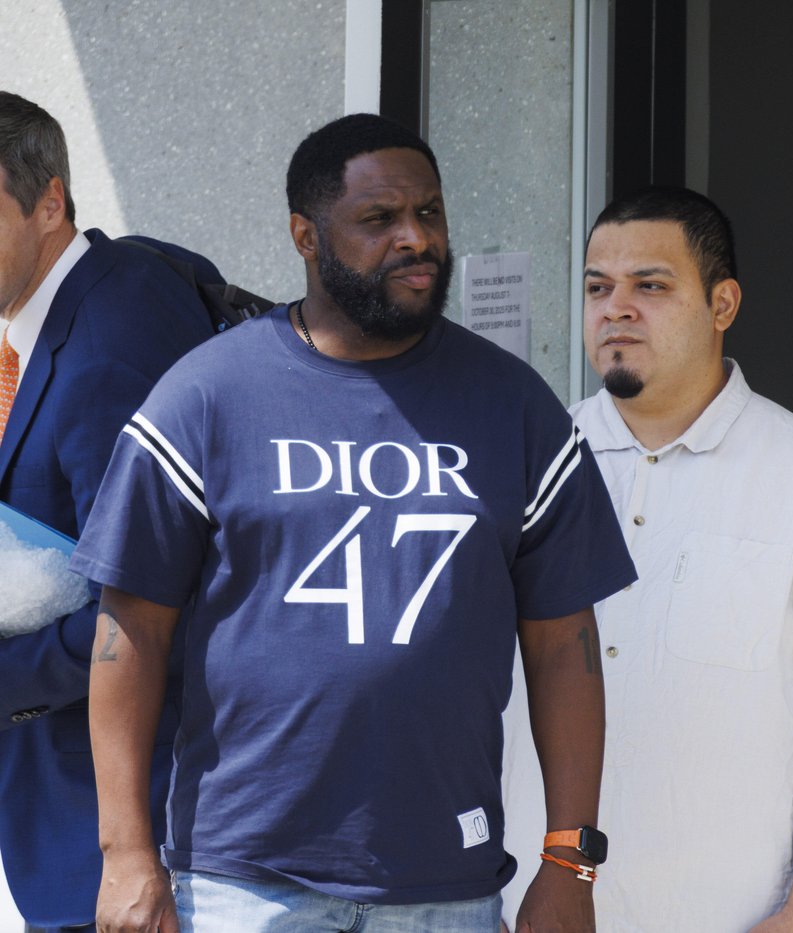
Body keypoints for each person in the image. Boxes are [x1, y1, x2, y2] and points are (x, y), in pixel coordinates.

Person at [70, 114, 636, 932]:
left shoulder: (514, 407)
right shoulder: (206, 398)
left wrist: (569, 862)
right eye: (380, 220)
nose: (417, 238)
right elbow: (129, 632)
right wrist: (126, 852)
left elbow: (564, 646)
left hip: (447, 880)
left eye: (431, 213)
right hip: (241, 882)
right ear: (306, 234)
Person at [500, 187, 793, 931]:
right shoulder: (527, 466)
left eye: (650, 285)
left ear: (723, 303)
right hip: (525, 911)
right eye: (597, 287)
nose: (616, 308)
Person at [0, 91, 213, 932]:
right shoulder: (70, 318)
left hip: (132, 839)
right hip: (84, 828)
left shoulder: (115, 329)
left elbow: (156, 598)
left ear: (50, 198)